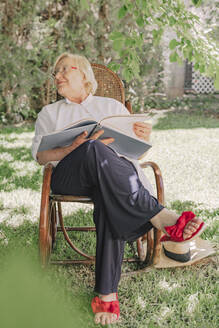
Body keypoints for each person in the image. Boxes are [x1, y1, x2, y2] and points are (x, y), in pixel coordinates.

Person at [32, 53, 205, 326]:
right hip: (69, 175)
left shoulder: (112, 106)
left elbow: (133, 152)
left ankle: (106, 294)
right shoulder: (50, 113)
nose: (57, 76)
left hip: (114, 178)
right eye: (55, 73)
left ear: (86, 76)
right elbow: (41, 157)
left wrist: (142, 137)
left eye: (65, 69)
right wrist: (72, 148)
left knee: (107, 193)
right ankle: (159, 216)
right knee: (93, 147)